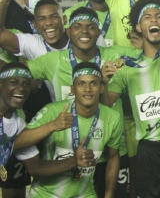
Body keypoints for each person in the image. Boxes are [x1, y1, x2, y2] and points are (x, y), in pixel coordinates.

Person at [100, 0, 160, 198]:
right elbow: (107, 102)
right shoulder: (127, 68)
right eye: (147, 17)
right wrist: (104, 82)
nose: (153, 20)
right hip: (148, 151)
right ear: (139, 27)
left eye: (159, 16)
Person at [19, 62, 122, 198]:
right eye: (81, 84)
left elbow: (113, 157)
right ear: (72, 89)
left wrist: (109, 195)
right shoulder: (54, 110)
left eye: (93, 83)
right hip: (46, 194)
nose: (87, 89)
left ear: (102, 88)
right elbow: (18, 142)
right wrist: (52, 126)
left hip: (84, 194)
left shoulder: (113, 118)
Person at [0, 63, 97, 198]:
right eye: (14, 82)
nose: (21, 88)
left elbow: (36, 167)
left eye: (26, 84)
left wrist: (74, 160)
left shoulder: (19, 125)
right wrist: (52, 126)